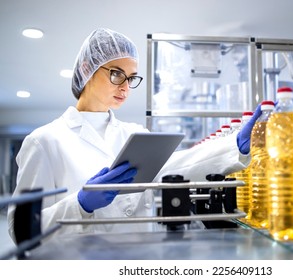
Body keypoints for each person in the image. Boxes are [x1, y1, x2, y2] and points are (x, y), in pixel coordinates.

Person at [7, 28, 262, 242]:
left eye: (131, 78)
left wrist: (234, 146)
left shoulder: (134, 134)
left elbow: (178, 167)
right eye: (117, 74)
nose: (126, 87)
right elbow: (20, 230)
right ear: (87, 68)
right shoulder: (44, 141)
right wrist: (81, 205)